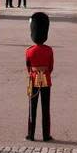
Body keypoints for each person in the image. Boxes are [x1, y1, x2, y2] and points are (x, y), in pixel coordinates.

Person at [25, 11, 53, 142]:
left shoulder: (29, 50)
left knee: (32, 107)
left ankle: (31, 134)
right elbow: (51, 67)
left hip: (33, 78)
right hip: (46, 78)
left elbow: (28, 67)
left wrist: (33, 74)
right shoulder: (49, 50)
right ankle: (46, 135)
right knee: (45, 108)